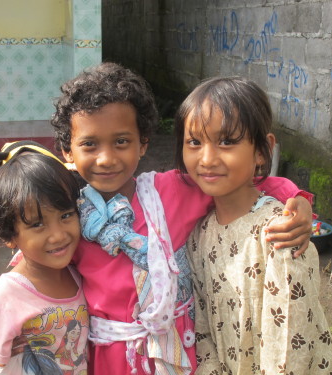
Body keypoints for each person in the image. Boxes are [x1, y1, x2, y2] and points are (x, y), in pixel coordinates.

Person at [51, 62, 314, 375]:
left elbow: (244, 185)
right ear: (68, 151)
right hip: (108, 360)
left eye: (121, 141)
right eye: (89, 144)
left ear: (143, 143)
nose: (106, 158)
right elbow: (37, 259)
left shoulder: (171, 191)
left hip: (180, 353)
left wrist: (297, 201)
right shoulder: (66, 215)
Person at [176, 77, 332, 374]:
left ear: (262, 151)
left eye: (227, 141)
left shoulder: (279, 235)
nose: (207, 158)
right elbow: (200, 326)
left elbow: (291, 344)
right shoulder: (197, 235)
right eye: (194, 142)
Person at [0, 153, 89, 375]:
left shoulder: (79, 272)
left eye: (66, 215)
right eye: (38, 224)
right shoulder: (3, 298)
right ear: (10, 236)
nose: (58, 235)